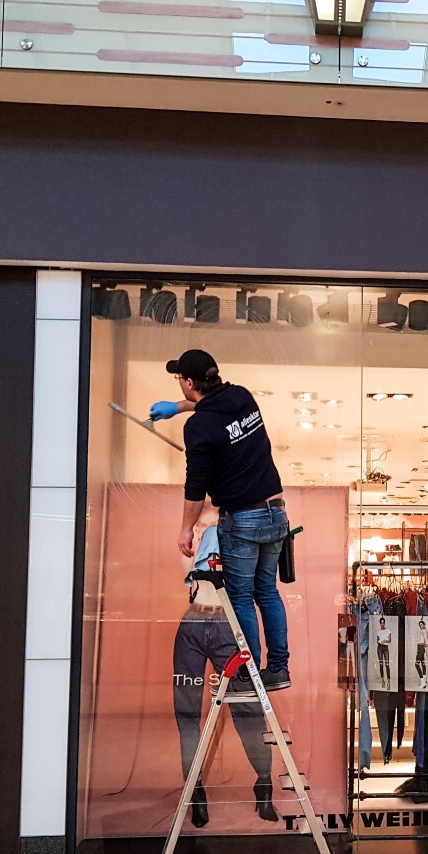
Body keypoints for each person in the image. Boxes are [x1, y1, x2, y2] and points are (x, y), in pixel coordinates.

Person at [152, 349, 290, 691]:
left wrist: (186, 529)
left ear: (188, 382)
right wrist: (178, 407)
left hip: (243, 519)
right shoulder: (240, 396)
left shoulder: (199, 428)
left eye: (179, 381)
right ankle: (278, 669)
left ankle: (248, 675)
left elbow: (196, 487)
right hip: (276, 512)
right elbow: (213, 408)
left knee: (241, 598)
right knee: (267, 593)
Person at [173, 583, 278, 827]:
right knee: (186, 712)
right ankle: (195, 791)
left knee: (248, 711)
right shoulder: (195, 545)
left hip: (229, 624)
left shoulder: (239, 544)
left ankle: (264, 782)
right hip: (192, 623)